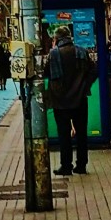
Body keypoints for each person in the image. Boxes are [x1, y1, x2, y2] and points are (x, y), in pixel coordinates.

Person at [44, 25, 97, 176]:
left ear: (56, 38)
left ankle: (66, 166)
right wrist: (85, 86)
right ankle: (81, 165)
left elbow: (46, 72)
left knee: (64, 134)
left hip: (60, 101)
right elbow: (93, 70)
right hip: (80, 99)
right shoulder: (81, 51)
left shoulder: (54, 53)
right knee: (81, 133)